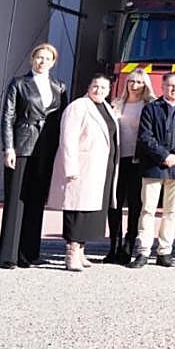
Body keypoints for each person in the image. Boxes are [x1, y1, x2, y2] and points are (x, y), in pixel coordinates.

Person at [0, 43, 69, 268]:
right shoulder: (19, 83)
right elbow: (8, 117)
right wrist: (8, 147)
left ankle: (29, 253)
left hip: (47, 148)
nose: (42, 62)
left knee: (36, 200)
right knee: (16, 199)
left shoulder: (59, 87)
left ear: (53, 62)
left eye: (47, 58)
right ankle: (9, 254)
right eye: (39, 57)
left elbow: (63, 121)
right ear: (32, 59)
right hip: (22, 145)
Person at [47, 75, 119, 272]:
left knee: (91, 211)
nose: (99, 90)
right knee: (76, 210)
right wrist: (70, 167)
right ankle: (71, 252)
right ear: (88, 86)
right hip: (82, 167)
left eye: (104, 87)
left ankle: (81, 251)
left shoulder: (107, 108)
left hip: (101, 168)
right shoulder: (78, 106)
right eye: (95, 86)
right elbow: (68, 138)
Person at [131, 72, 175, 268]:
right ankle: (143, 251)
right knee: (148, 209)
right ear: (162, 87)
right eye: (169, 86)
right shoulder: (151, 108)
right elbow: (145, 136)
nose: (173, 89)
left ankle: (165, 252)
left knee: (171, 210)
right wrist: (164, 155)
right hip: (153, 166)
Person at [107, 68, 155, 264]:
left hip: (138, 161)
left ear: (145, 85)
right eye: (131, 82)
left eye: (139, 82)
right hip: (118, 160)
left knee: (135, 204)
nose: (134, 86)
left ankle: (128, 245)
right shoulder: (117, 104)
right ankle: (114, 246)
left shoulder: (150, 106)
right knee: (114, 203)